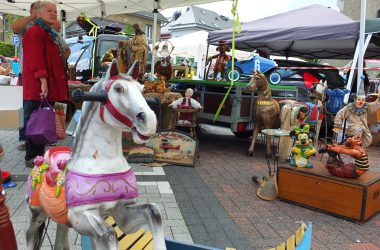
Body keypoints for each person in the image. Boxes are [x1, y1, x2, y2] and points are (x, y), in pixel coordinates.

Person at [22, 1, 68, 168]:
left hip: (44, 86)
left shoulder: (48, 34)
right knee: (36, 122)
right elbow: (36, 60)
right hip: (37, 87)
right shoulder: (34, 32)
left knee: (42, 122)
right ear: (39, 14)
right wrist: (43, 82)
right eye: (49, 11)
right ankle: (32, 157)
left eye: (55, 11)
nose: (53, 13)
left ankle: (39, 156)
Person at [11, 1, 40, 151]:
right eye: (36, 8)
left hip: (42, 74)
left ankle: (38, 136)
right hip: (26, 73)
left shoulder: (44, 26)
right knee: (26, 107)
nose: (38, 10)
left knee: (40, 107)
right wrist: (31, 16)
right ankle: (23, 138)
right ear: (31, 10)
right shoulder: (26, 25)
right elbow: (14, 28)